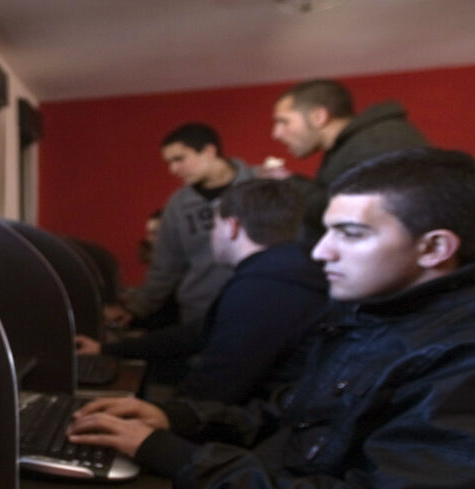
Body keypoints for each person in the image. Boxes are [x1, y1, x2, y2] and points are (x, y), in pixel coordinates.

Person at [68, 148, 475, 488]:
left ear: (434, 248)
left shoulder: (460, 359)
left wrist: (174, 454)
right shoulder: (371, 315)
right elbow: (295, 413)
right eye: (326, 232)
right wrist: (175, 418)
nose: (320, 252)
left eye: (349, 234)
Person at [77, 179, 327, 403]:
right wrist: (106, 350)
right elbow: (198, 333)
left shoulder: (263, 288)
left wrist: (160, 419)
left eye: (215, 226)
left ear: (232, 227)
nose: (212, 235)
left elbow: (215, 389)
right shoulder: (281, 271)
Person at [106, 123, 254, 335]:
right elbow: (165, 267)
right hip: (200, 314)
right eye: (169, 162)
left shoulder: (261, 185)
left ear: (209, 151)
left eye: (179, 159)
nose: (173, 169)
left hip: (257, 305)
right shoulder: (178, 204)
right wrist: (136, 309)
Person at [267, 79, 428, 239]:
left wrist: (289, 184)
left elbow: (354, 216)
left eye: (284, 121)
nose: (277, 133)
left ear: (318, 117)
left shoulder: (376, 143)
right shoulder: (355, 143)